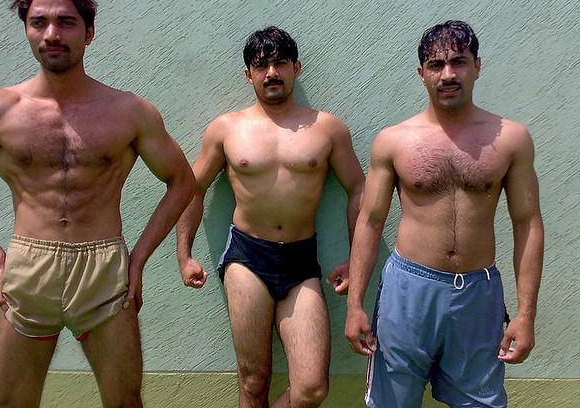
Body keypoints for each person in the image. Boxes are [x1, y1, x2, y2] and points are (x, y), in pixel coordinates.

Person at [0, 0, 196, 408]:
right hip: (28, 266)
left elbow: (182, 181)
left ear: (89, 32)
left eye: (66, 22)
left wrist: (138, 259)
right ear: (27, 30)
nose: (51, 34)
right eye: (38, 22)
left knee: (125, 402)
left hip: (104, 269)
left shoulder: (128, 111)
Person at [345, 20, 544, 408]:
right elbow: (370, 222)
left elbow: (527, 224)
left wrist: (525, 314)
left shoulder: (511, 139)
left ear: (477, 66)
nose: (448, 74)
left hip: (478, 293)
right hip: (408, 290)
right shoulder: (394, 141)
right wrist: (354, 307)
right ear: (421, 73)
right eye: (436, 65)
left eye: (459, 62)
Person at [176, 26, 364, 408]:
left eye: (280, 63)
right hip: (247, 257)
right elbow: (191, 188)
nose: (272, 73)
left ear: (297, 68)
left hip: (301, 260)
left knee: (312, 388)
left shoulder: (327, 128)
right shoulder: (226, 129)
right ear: (249, 74)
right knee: (253, 380)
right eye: (261, 66)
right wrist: (184, 254)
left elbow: (359, 189)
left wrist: (356, 258)